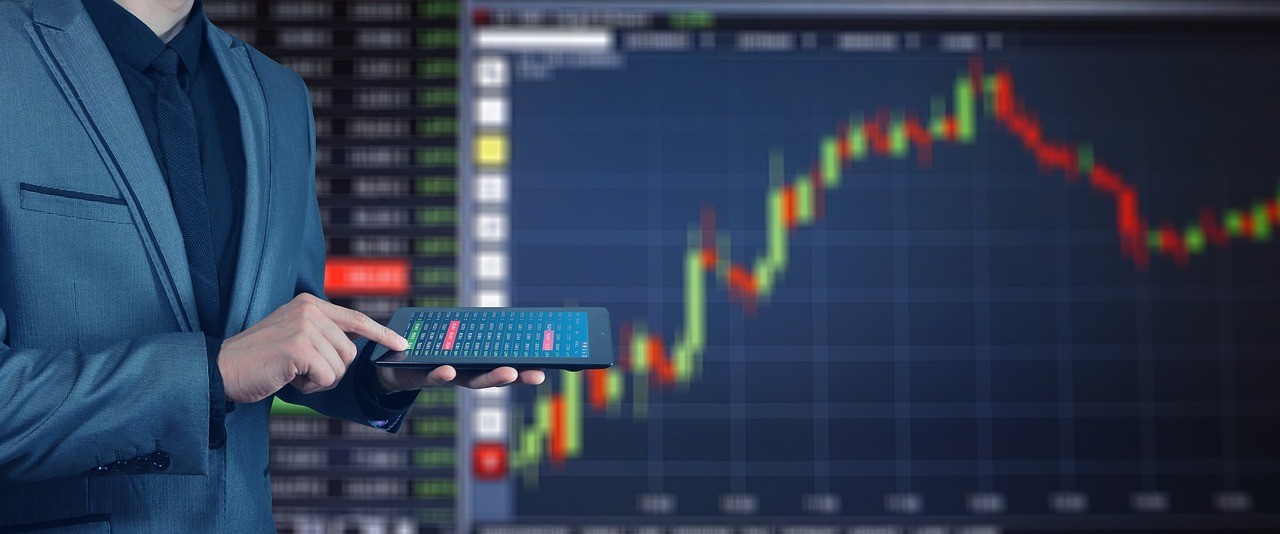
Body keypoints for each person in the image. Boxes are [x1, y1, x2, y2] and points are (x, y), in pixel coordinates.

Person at [0, 0, 542, 530]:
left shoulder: (277, 93)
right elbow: (236, 364)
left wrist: (381, 374)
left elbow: (278, 333)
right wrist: (213, 374)